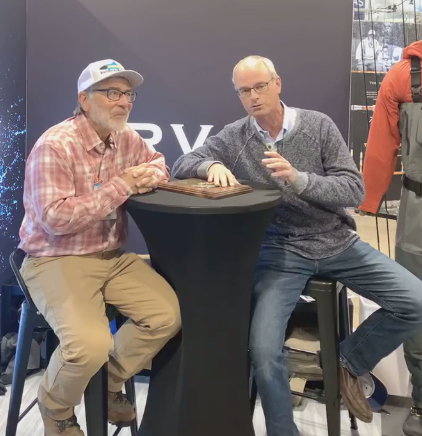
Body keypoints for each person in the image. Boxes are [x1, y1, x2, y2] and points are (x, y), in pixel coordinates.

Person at [172, 55, 422, 436]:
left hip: (336, 241)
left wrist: (299, 179)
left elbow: (353, 189)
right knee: (263, 350)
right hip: (280, 251)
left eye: (259, 86)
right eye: (243, 91)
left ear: (277, 84)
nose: (253, 97)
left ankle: (349, 361)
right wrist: (209, 166)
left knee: (415, 300)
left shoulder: (318, 126)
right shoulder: (235, 137)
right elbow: (182, 163)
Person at [19, 59, 181, 436]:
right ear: (84, 100)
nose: (123, 102)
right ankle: (56, 408)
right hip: (56, 257)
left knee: (166, 316)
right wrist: (122, 185)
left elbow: (158, 164)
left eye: (127, 94)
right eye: (111, 93)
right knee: (89, 345)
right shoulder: (55, 145)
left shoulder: (125, 137)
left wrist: (144, 175)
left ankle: (107, 385)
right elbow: (55, 219)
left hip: (112, 257)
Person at [359, 40, 422, 436]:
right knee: (416, 302)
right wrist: (369, 199)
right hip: (418, 209)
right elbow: (383, 144)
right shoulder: (403, 76)